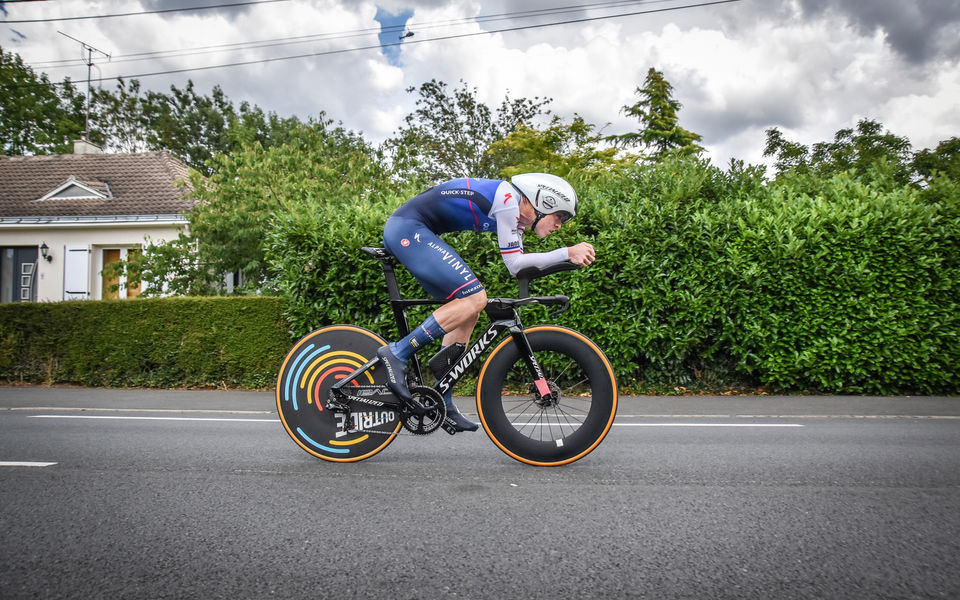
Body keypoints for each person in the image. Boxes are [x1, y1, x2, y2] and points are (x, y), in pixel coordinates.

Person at [377, 173, 596, 432]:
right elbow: (515, 264)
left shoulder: (515, 217)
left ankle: (443, 399)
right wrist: (567, 252)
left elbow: (520, 265)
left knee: (469, 309)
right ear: (544, 203)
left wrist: (565, 261)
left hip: (416, 230)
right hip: (407, 228)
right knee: (475, 297)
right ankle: (398, 352)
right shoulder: (507, 200)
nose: (560, 225)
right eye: (560, 216)